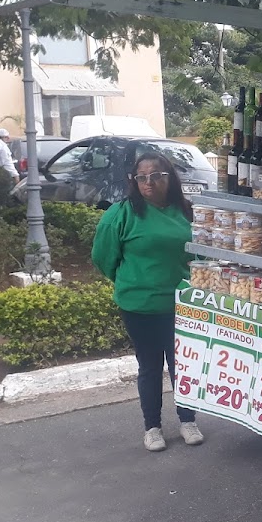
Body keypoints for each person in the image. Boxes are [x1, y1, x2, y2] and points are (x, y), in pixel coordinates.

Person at [92, 152, 203, 452]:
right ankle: (152, 427)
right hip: (139, 306)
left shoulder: (186, 211)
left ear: (170, 178)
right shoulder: (122, 213)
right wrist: (132, 281)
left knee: (183, 365)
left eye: (156, 175)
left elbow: (200, 257)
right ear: (134, 181)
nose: (148, 182)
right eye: (141, 177)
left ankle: (188, 420)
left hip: (182, 304)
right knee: (150, 367)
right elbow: (103, 258)